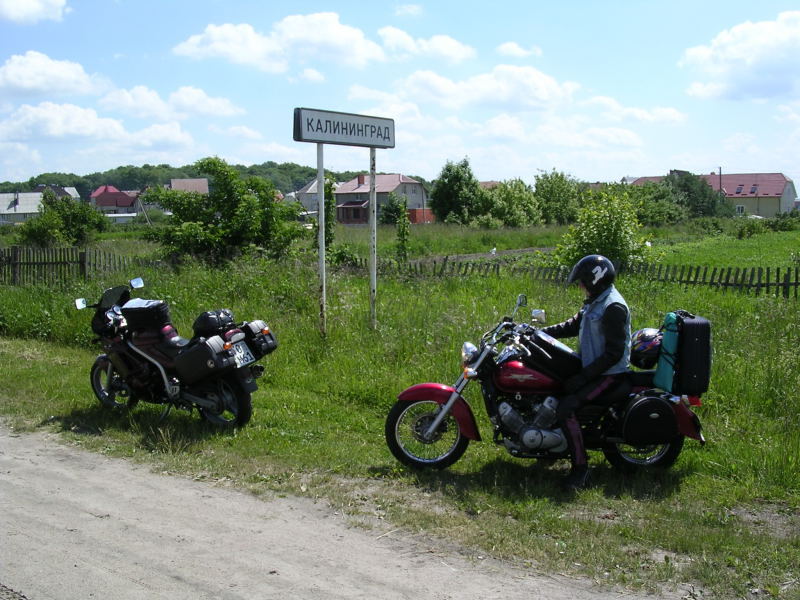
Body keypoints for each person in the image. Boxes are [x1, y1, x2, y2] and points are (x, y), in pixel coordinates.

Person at [540, 254, 631, 491]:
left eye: (582, 280)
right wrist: (538, 333)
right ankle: (547, 448)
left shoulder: (613, 307)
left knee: (566, 408)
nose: (580, 285)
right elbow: (572, 325)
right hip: (595, 370)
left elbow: (614, 353)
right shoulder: (595, 300)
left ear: (595, 279)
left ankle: (581, 471)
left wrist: (583, 377)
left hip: (609, 375)